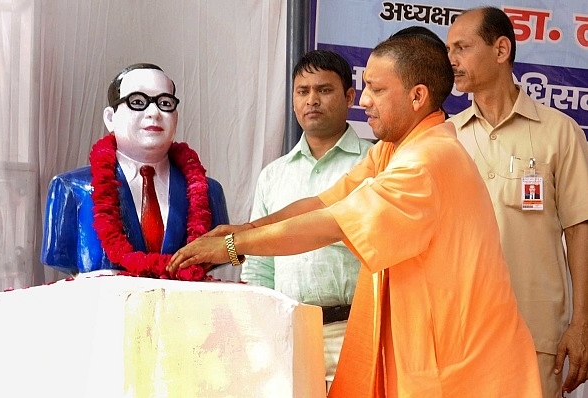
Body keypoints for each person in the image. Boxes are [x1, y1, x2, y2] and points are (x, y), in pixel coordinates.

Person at [167, 31, 541, 396]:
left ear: (417, 96)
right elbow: (325, 202)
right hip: (427, 353)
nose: (364, 101)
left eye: (377, 90)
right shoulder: (394, 151)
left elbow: (331, 224)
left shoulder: (426, 162)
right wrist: (244, 228)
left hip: (466, 367)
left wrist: (234, 246)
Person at [446, 7, 588, 396]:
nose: (452, 60)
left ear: (501, 48)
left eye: (462, 47)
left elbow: (580, 232)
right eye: (448, 50)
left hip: (536, 336)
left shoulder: (560, 132)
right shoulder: (445, 138)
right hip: (458, 337)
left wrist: (581, 325)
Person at [241, 50, 373, 390]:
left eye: (324, 90)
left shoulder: (374, 163)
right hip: (285, 330)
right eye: (303, 91)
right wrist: (261, 328)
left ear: (349, 97)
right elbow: (258, 266)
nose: (312, 100)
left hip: (355, 328)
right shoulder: (274, 174)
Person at [41, 63, 229, 280]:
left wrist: (237, 248)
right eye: (138, 102)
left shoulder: (209, 193)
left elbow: (225, 252)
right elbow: (59, 255)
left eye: (165, 103)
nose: (154, 113)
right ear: (110, 118)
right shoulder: (71, 189)